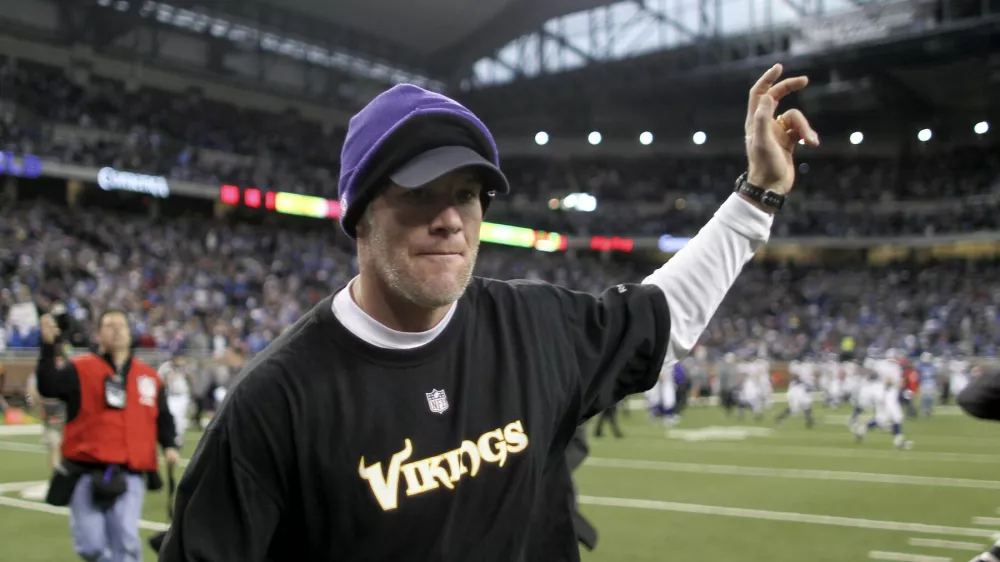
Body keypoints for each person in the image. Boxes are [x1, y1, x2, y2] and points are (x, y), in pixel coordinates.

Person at [159, 64, 818, 561]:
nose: (450, 219)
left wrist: (757, 194)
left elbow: (664, 314)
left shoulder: (536, 327)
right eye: (420, 193)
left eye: (468, 194)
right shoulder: (277, 404)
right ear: (361, 216)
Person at [36, 310, 179, 562]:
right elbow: (48, 385)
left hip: (130, 472)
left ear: (129, 332)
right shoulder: (80, 368)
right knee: (89, 546)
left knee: (125, 541)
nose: (116, 330)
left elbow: (163, 416)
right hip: (85, 471)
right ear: (99, 334)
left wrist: (168, 445)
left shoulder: (149, 377)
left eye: (121, 325)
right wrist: (48, 345)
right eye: (109, 325)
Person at [157, 354, 195, 448]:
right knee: (173, 416)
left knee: (181, 418)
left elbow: (192, 380)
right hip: (171, 395)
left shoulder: (185, 367)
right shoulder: (166, 367)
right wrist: (168, 378)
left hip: (183, 395)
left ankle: (178, 438)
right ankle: (173, 437)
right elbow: (159, 380)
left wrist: (187, 375)